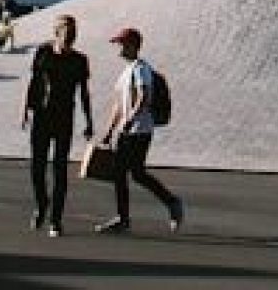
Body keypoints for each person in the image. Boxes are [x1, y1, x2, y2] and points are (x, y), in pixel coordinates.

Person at [95, 27, 183, 235]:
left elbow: (144, 97)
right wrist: (110, 129)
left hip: (140, 130)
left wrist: (130, 120)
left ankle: (126, 218)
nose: (118, 48)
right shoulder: (126, 72)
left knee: (124, 173)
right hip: (129, 129)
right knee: (135, 174)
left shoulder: (141, 69)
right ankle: (168, 203)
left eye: (121, 44)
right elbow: (119, 104)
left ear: (132, 45)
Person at [21, 15, 93, 237]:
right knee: (37, 168)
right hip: (42, 116)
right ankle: (42, 203)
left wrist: (89, 121)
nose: (70, 40)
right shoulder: (43, 52)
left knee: (60, 169)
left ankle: (56, 219)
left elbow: (84, 92)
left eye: (73, 36)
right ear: (57, 33)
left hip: (64, 118)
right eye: (67, 35)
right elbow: (34, 82)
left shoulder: (80, 60)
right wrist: (25, 109)